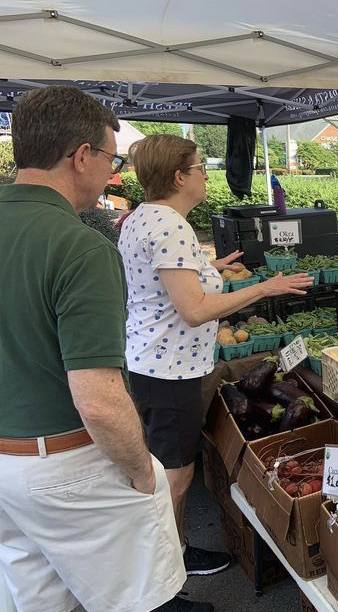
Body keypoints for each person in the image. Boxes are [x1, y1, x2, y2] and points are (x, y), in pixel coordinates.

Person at [0, 86, 193, 612]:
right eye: (111, 158)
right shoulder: (78, 245)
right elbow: (100, 400)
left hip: (6, 468)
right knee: (140, 596)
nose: (114, 173)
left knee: (38, 597)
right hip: (65, 461)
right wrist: (139, 470)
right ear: (81, 155)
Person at [118, 134, 313, 583]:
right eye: (199, 167)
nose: (206, 175)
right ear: (178, 176)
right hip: (171, 370)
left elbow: (172, 286)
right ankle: (162, 569)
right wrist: (263, 288)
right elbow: (193, 310)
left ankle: (170, 551)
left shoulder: (142, 218)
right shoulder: (169, 226)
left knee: (168, 468)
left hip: (154, 362)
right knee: (175, 474)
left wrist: (212, 268)